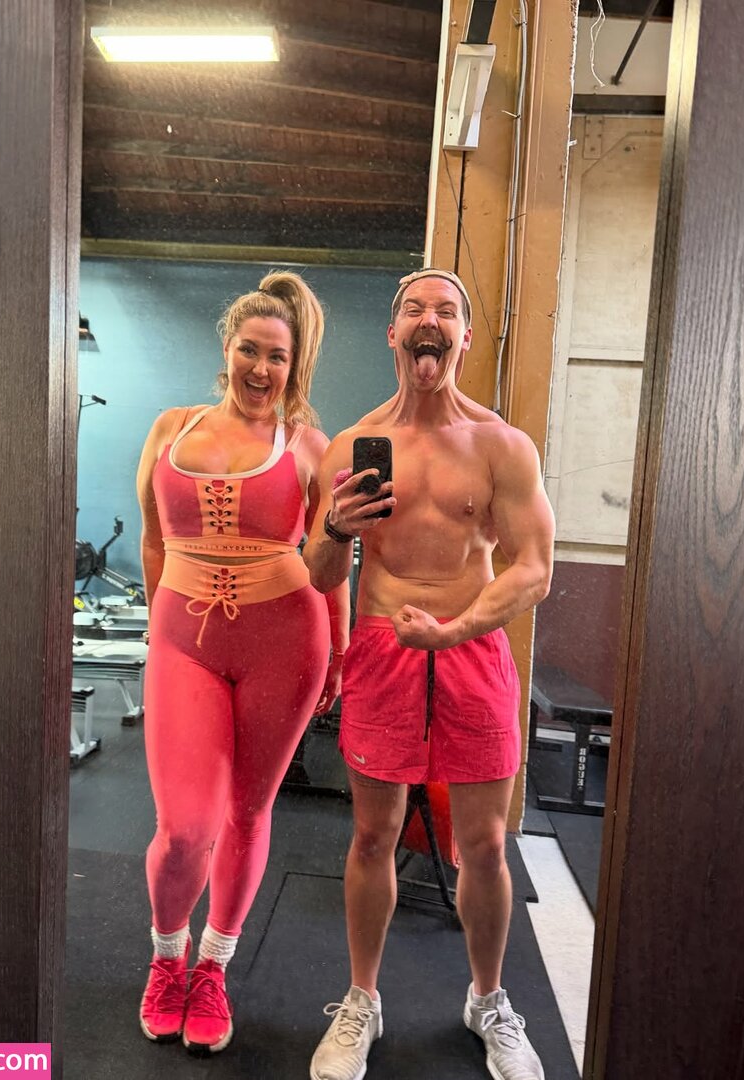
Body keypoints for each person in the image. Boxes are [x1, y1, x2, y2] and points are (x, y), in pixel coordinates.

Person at [303, 268, 555, 1080]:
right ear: (393, 333)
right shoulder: (350, 447)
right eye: (414, 308)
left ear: (463, 338)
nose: (429, 319)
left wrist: (455, 629)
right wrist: (335, 529)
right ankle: (362, 1000)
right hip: (382, 649)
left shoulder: (500, 446)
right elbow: (316, 574)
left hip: (471, 648)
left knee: (481, 844)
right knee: (372, 835)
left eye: (446, 310)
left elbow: (533, 568)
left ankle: (488, 1001)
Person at [135, 270, 349, 1057]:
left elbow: (330, 564)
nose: (262, 368)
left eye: (277, 357)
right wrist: (160, 628)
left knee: (248, 814)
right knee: (184, 827)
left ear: (293, 366)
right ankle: (167, 959)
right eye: (250, 350)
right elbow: (153, 541)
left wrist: (341, 651)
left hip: (285, 643)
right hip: (183, 643)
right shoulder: (170, 429)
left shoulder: (310, 447)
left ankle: (212, 968)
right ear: (226, 349)